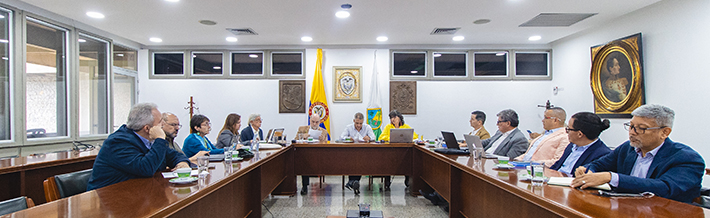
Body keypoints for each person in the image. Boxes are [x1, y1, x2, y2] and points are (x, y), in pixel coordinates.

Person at [572, 104, 704, 203]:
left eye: (641, 128)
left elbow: (665, 187)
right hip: (626, 209)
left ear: (664, 132)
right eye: (630, 126)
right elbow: (598, 164)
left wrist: (611, 177)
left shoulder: (687, 158)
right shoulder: (627, 149)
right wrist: (587, 171)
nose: (632, 132)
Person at [87, 103, 190, 190]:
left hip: (137, 192)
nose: (162, 127)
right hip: (109, 198)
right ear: (147, 128)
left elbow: (173, 155)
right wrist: (160, 139)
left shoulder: (151, 139)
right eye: (159, 124)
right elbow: (145, 168)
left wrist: (182, 163)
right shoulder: (118, 142)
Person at [550, 112, 611, 176]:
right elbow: (557, 165)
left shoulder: (603, 154)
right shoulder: (571, 145)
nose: (567, 132)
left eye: (568, 129)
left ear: (580, 134)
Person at [378, 110, 417, 191]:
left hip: (403, 152)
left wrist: (405, 138)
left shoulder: (405, 126)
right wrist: (391, 137)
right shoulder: (388, 127)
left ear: (399, 118)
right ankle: (387, 180)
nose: (393, 119)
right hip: (390, 152)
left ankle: (407, 180)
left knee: (408, 161)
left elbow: (415, 136)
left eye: (394, 117)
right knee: (387, 162)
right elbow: (381, 137)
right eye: (391, 118)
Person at [340, 112, 376, 195]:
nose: (359, 125)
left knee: (359, 161)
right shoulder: (349, 127)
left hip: (364, 153)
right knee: (354, 161)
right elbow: (341, 137)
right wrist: (348, 138)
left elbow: (373, 137)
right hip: (351, 153)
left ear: (363, 121)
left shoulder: (367, 127)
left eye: (360, 123)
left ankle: (351, 182)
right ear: (353, 121)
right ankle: (354, 182)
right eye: (357, 123)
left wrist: (369, 138)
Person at [298, 114, 329, 195]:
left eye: (317, 122)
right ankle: (305, 186)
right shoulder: (302, 129)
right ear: (309, 121)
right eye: (313, 122)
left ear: (319, 122)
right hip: (306, 154)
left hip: (319, 155)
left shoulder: (323, 131)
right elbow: (295, 141)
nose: (315, 124)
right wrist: (302, 137)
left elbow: (327, 145)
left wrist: (323, 141)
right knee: (303, 163)